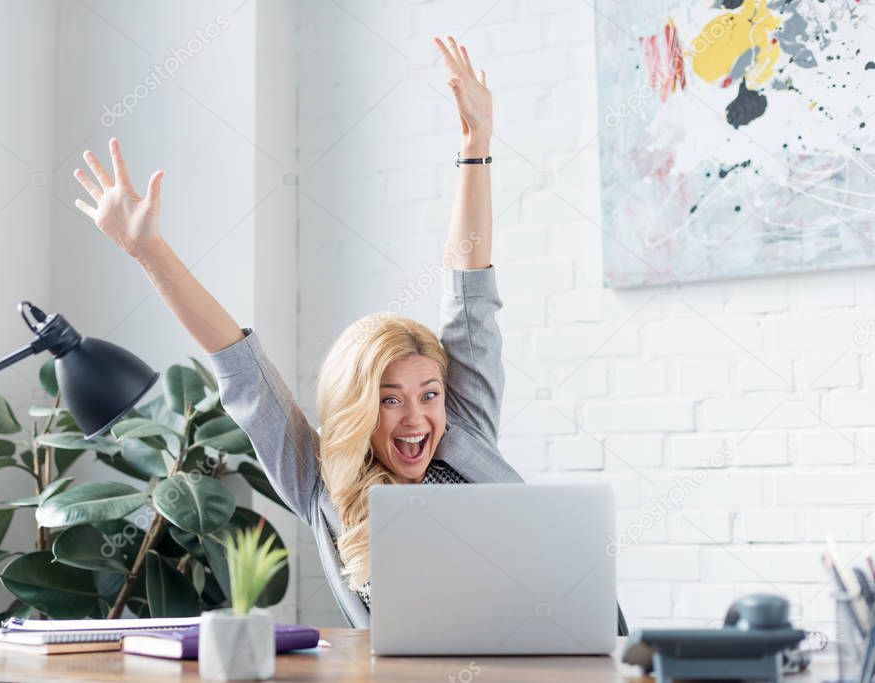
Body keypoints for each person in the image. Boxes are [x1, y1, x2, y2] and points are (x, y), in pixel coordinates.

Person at [74, 36, 626, 632]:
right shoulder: (316, 477)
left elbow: (469, 291)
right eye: (390, 400)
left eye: (428, 395)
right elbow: (239, 364)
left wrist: (477, 145)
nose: (417, 419)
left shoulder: (464, 434)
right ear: (359, 408)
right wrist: (149, 252)